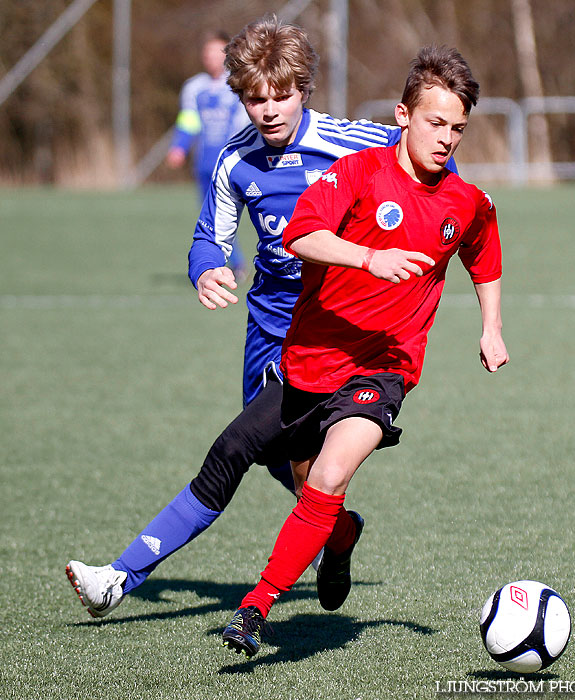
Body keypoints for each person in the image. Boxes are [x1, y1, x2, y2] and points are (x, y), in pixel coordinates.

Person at [65, 16, 458, 620]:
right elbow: (207, 238)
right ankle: (341, 530)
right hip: (266, 334)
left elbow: (438, 176)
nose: (269, 109)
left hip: (333, 341)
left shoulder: (355, 144)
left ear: (304, 88)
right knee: (292, 473)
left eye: (282, 94)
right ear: (240, 96)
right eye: (254, 97)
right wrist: (206, 269)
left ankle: (118, 577)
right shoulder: (233, 162)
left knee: (232, 452)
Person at [220, 44, 509, 659]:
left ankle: (254, 609)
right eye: (436, 123)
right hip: (312, 360)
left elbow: (484, 248)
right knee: (279, 473)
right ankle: (342, 535)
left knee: (328, 473)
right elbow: (301, 233)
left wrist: (492, 326)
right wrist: (368, 257)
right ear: (403, 117)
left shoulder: (464, 199)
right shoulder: (354, 174)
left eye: (458, 128)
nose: (448, 139)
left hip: (385, 367)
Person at [166, 30, 251, 280]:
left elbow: (245, 124)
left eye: (217, 52)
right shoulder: (194, 87)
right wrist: (179, 146)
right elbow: (189, 120)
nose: (211, 57)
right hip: (204, 164)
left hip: (235, 163)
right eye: (207, 52)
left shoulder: (240, 85)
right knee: (211, 217)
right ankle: (232, 263)